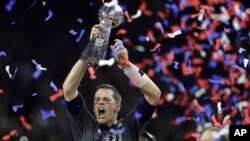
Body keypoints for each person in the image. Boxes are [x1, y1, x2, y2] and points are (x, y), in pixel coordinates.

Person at [62, 24, 161, 141]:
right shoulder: (84, 125)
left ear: (117, 107)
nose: (100, 103)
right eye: (97, 100)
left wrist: (127, 66)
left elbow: (154, 95)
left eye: (106, 100)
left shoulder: (129, 127)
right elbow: (68, 90)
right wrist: (89, 54)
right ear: (93, 108)